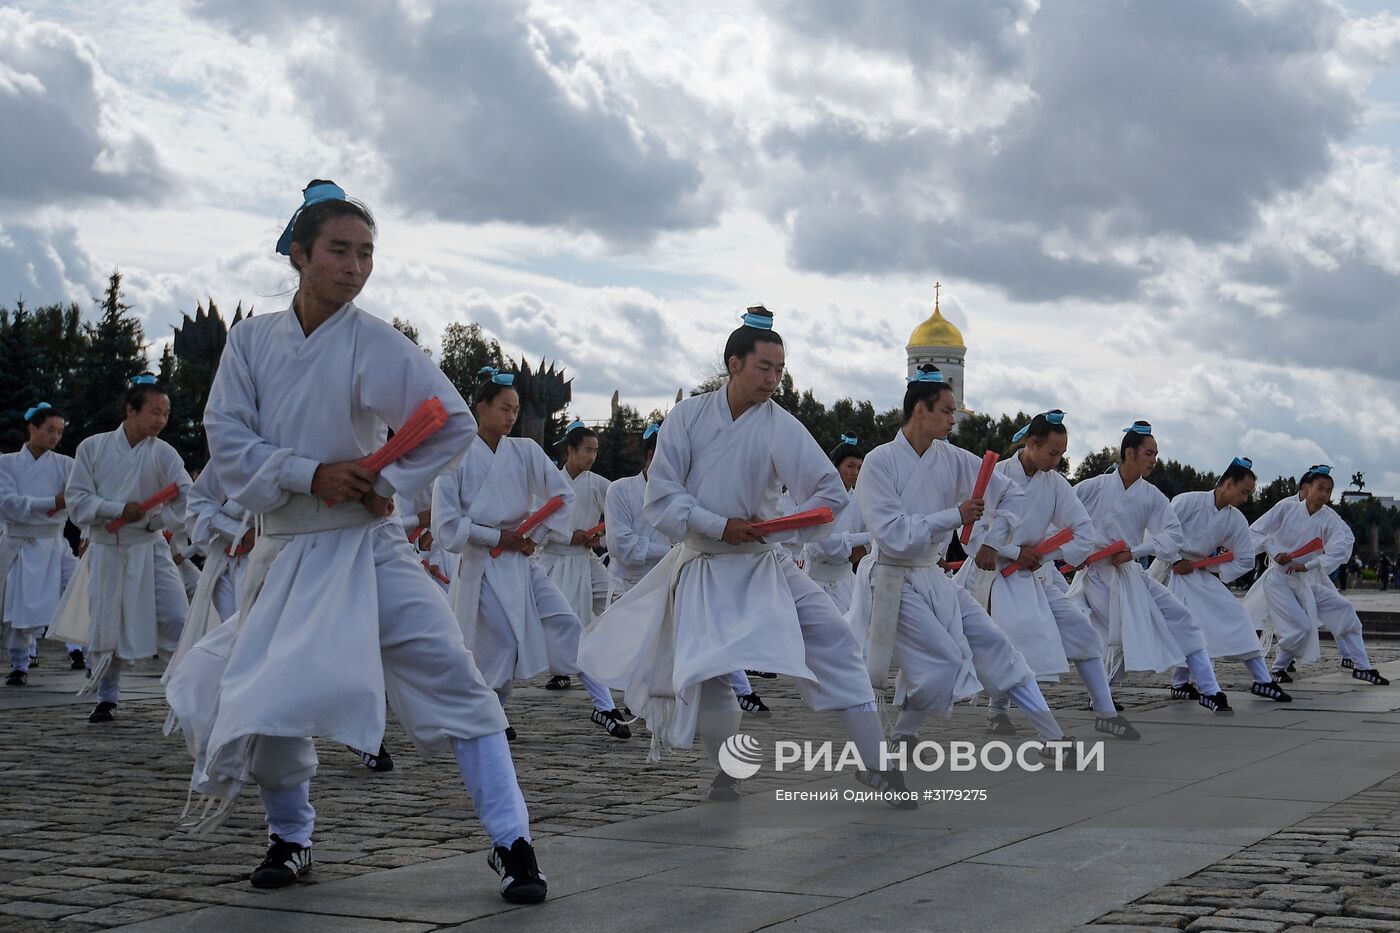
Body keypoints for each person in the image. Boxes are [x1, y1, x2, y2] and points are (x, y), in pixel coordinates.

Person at [186, 181, 545, 902]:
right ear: (299, 254)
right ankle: (290, 836)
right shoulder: (251, 342)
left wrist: (392, 480)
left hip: (369, 545)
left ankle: (513, 841)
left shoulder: (375, 340)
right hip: (286, 547)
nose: (354, 267)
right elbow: (227, 441)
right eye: (339, 251)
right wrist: (306, 473)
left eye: (366, 254)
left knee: (458, 677)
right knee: (272, 699)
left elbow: (445, 419)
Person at [580, 307, 907, 805]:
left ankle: (880, 766)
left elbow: (828, 494)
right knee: (711, 673)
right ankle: (726, 771)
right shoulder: (687, 418)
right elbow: (662, 498)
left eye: (780, 369)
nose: (774, 379)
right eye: (764, 367)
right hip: (704, 564)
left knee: (835, 639)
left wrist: (786, 523)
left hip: (763, 562)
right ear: (733, 364)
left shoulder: (781, 425)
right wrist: (718, 525)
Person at [848, 370, 1075, 752]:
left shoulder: (953, 458)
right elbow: (892, 533)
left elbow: (1012, 496)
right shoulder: (879, 461)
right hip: (890, 578)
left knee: (994, 642)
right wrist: (956, 517)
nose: (954, 419)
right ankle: (889, 742)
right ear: (921, 410)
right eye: (947, 410)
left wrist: (992, 541)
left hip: (931, 576)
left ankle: (1053, 736)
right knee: (942, 660)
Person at [434, 368, 631, 740]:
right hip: (483, 565)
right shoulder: (455, 458)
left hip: (523, 560)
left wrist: (532, 534)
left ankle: (604, 705)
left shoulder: (524, 451)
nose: (511, 416)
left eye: (515, 409)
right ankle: (496, 715)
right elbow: (446, 525)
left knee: (569, 624)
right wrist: (497, 537)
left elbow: (561, 497)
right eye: (504, 408)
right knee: (500, 645)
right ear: (481, 408)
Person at [953, 410, 1140, 739]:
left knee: (1082, 630)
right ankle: (1000, 712)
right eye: (1053, 453)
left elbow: (1083, 530)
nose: (1057, 461)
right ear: (1031, 444)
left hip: (1035, 576)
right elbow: (972, 532)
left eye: (1062, 454)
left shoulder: (1055, 485)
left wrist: (1046, 555)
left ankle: (1105, 711)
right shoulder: (997, 475)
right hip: (992, 577)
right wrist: (1013, 552)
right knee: (1012, 639)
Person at [603, 422, 771, 718]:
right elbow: (621, 547)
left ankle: (740, 692)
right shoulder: (621, 490)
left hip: (676, 579)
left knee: (709, 635)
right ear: (652, 455)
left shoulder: (687, 497)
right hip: (631, 585)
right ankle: (635, 704)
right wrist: (670, 551)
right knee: (635, 655)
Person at [1068, 421, 1232, 714]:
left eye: (1156, 454)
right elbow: (1063, 521)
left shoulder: (1152, 496)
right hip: (1095, 576)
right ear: (1129, 453)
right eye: (1149, 453)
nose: (1154, 460)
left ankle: (1210, 689)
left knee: (1183, 619)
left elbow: (1173, 535)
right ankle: (1099, 696)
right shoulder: (1091, 488)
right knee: (1114, 637)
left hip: (1130, 574)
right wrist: (1073, 554)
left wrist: (1137, 551)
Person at [61, 375, 192, 721]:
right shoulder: (92, 447)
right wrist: (117, 509)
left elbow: (187, 495)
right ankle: (106, 695)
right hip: (108, 548)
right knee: (108, 624)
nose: (161, 421)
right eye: (154, 412)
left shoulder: (164, 453)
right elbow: (77, 499)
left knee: (178, 617)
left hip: (150, 547)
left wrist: (157, 517)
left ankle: (185, 693)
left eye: (166, 413)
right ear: (130, 410)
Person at [1151, 458, 1291, 702]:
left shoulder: (1235, 519)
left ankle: (1262, 680)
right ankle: (1180, 681)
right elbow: (1160, 531)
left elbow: (1246, 559)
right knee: (1189, 626)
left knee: (1237, 617)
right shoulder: (1187, 501)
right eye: (1244, 491)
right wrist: (1174, 559)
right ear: (1227, 483)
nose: (1245, 498)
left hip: (1200, 575)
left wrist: (1214, 569)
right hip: (1169, 572)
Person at [1245, 465, 1388, 686]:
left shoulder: (1330, 518)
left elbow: (1340, 548)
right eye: (1320, 488)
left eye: (1329, 491)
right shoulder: (1286, 508)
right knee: (1300, 627)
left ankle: (1362, 666)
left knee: (1344, 609)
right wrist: (1274, 551)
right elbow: (1255, 531)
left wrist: (1309, 565)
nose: (1324, 494)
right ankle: (1278, 668)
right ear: (1307, 488)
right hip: (1279, 580)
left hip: (1307, 580)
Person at [1, 404, 77, 686]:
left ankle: (82, 651)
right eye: (49, 430)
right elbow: (8, 503)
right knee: (14, 607)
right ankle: (19, 662)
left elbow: (78, 500)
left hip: (53, 542)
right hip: (18, 543)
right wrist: (52, 503)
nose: (55, 437)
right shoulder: (6, 463)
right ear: (32, 428)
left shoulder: (66, 465)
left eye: (59, 432)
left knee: (78, 590)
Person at [536, 421, 611, 695]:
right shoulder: (549, 484)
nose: (592, 456)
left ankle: (608, 655)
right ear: (571, 450)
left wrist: (599, 539)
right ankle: (561, 670)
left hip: (585, 557)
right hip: (557, 557)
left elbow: (618, 515)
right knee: (562, 615)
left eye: (596, 451)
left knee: (613, 598)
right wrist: (569, 536)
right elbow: (537, 524)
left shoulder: (598, 485)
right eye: (587, 450)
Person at [801, 433, 869, 614]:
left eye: (859, 467)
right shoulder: (820, 499)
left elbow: (865, 546)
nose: (855, 472)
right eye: (850, 466)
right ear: (836, 467)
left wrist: (864, 543)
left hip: (848, 583)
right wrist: (860, 541)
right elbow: (819, 543)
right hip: (817, 582)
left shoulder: (862, 500)